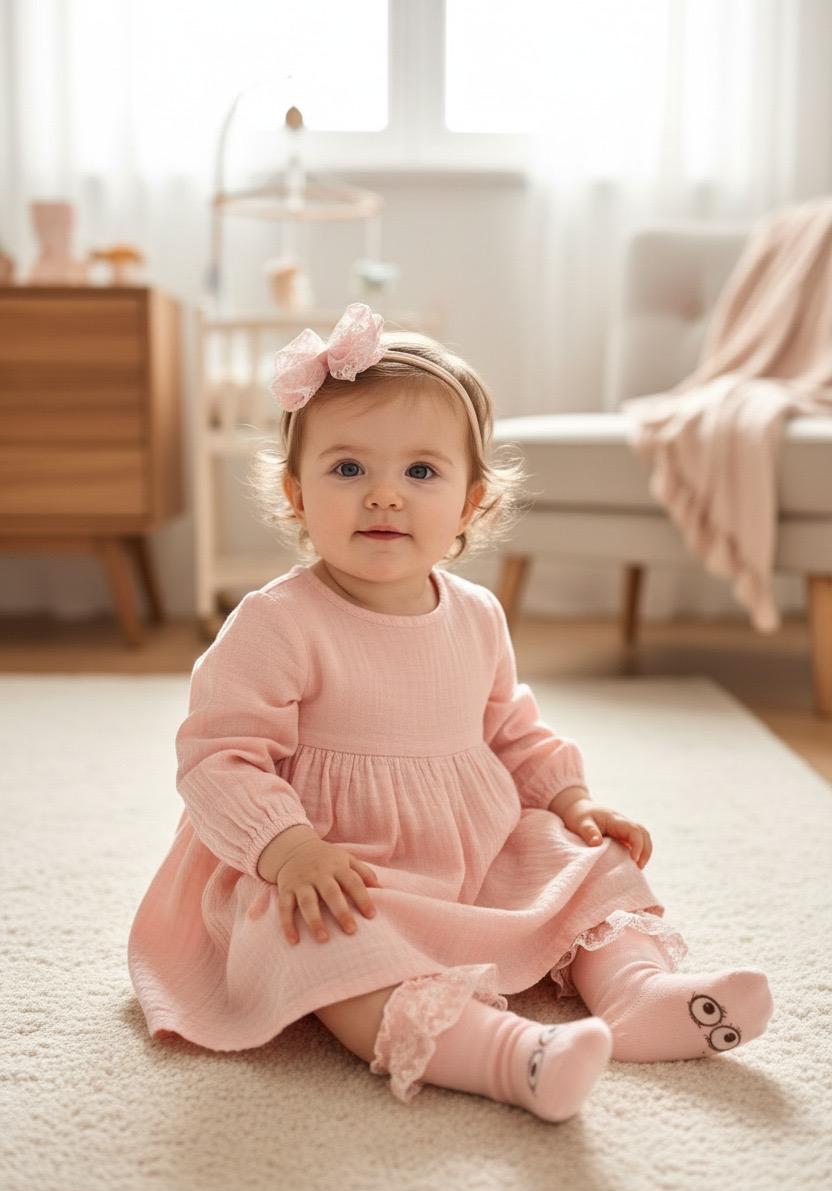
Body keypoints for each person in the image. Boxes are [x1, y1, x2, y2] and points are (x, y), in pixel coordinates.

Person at [127, 302, 774, 1122]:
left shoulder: (475, 614)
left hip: (468, 848)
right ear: (296, 493)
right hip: (334, 862)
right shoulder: (277, 621)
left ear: (471, 504)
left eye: (421, 474)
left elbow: (510, 727)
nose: (384, 497)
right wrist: (285, 849)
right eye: (348, 469)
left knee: (588, 864)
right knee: (323, 938)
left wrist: (571, 802)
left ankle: (640, 993)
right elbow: (219, 756)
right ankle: (506, 1056)